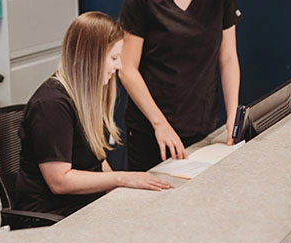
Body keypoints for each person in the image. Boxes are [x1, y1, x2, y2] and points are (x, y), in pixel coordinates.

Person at [15, 11, 173, 218]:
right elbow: (59, 181)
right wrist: (122, 179)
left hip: (86, 204)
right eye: (114, 58)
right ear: (91, 56)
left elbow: (96, 161)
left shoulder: (87, 95)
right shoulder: (51, 104)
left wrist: (123, 193)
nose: (119, 66)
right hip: (52, 216)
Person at [118, 0, 242, 171]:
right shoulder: (140, 3)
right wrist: (159, 124)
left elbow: (228, 58)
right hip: (151, 130)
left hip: (201, 122)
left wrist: (233, 113)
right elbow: (127, 69)